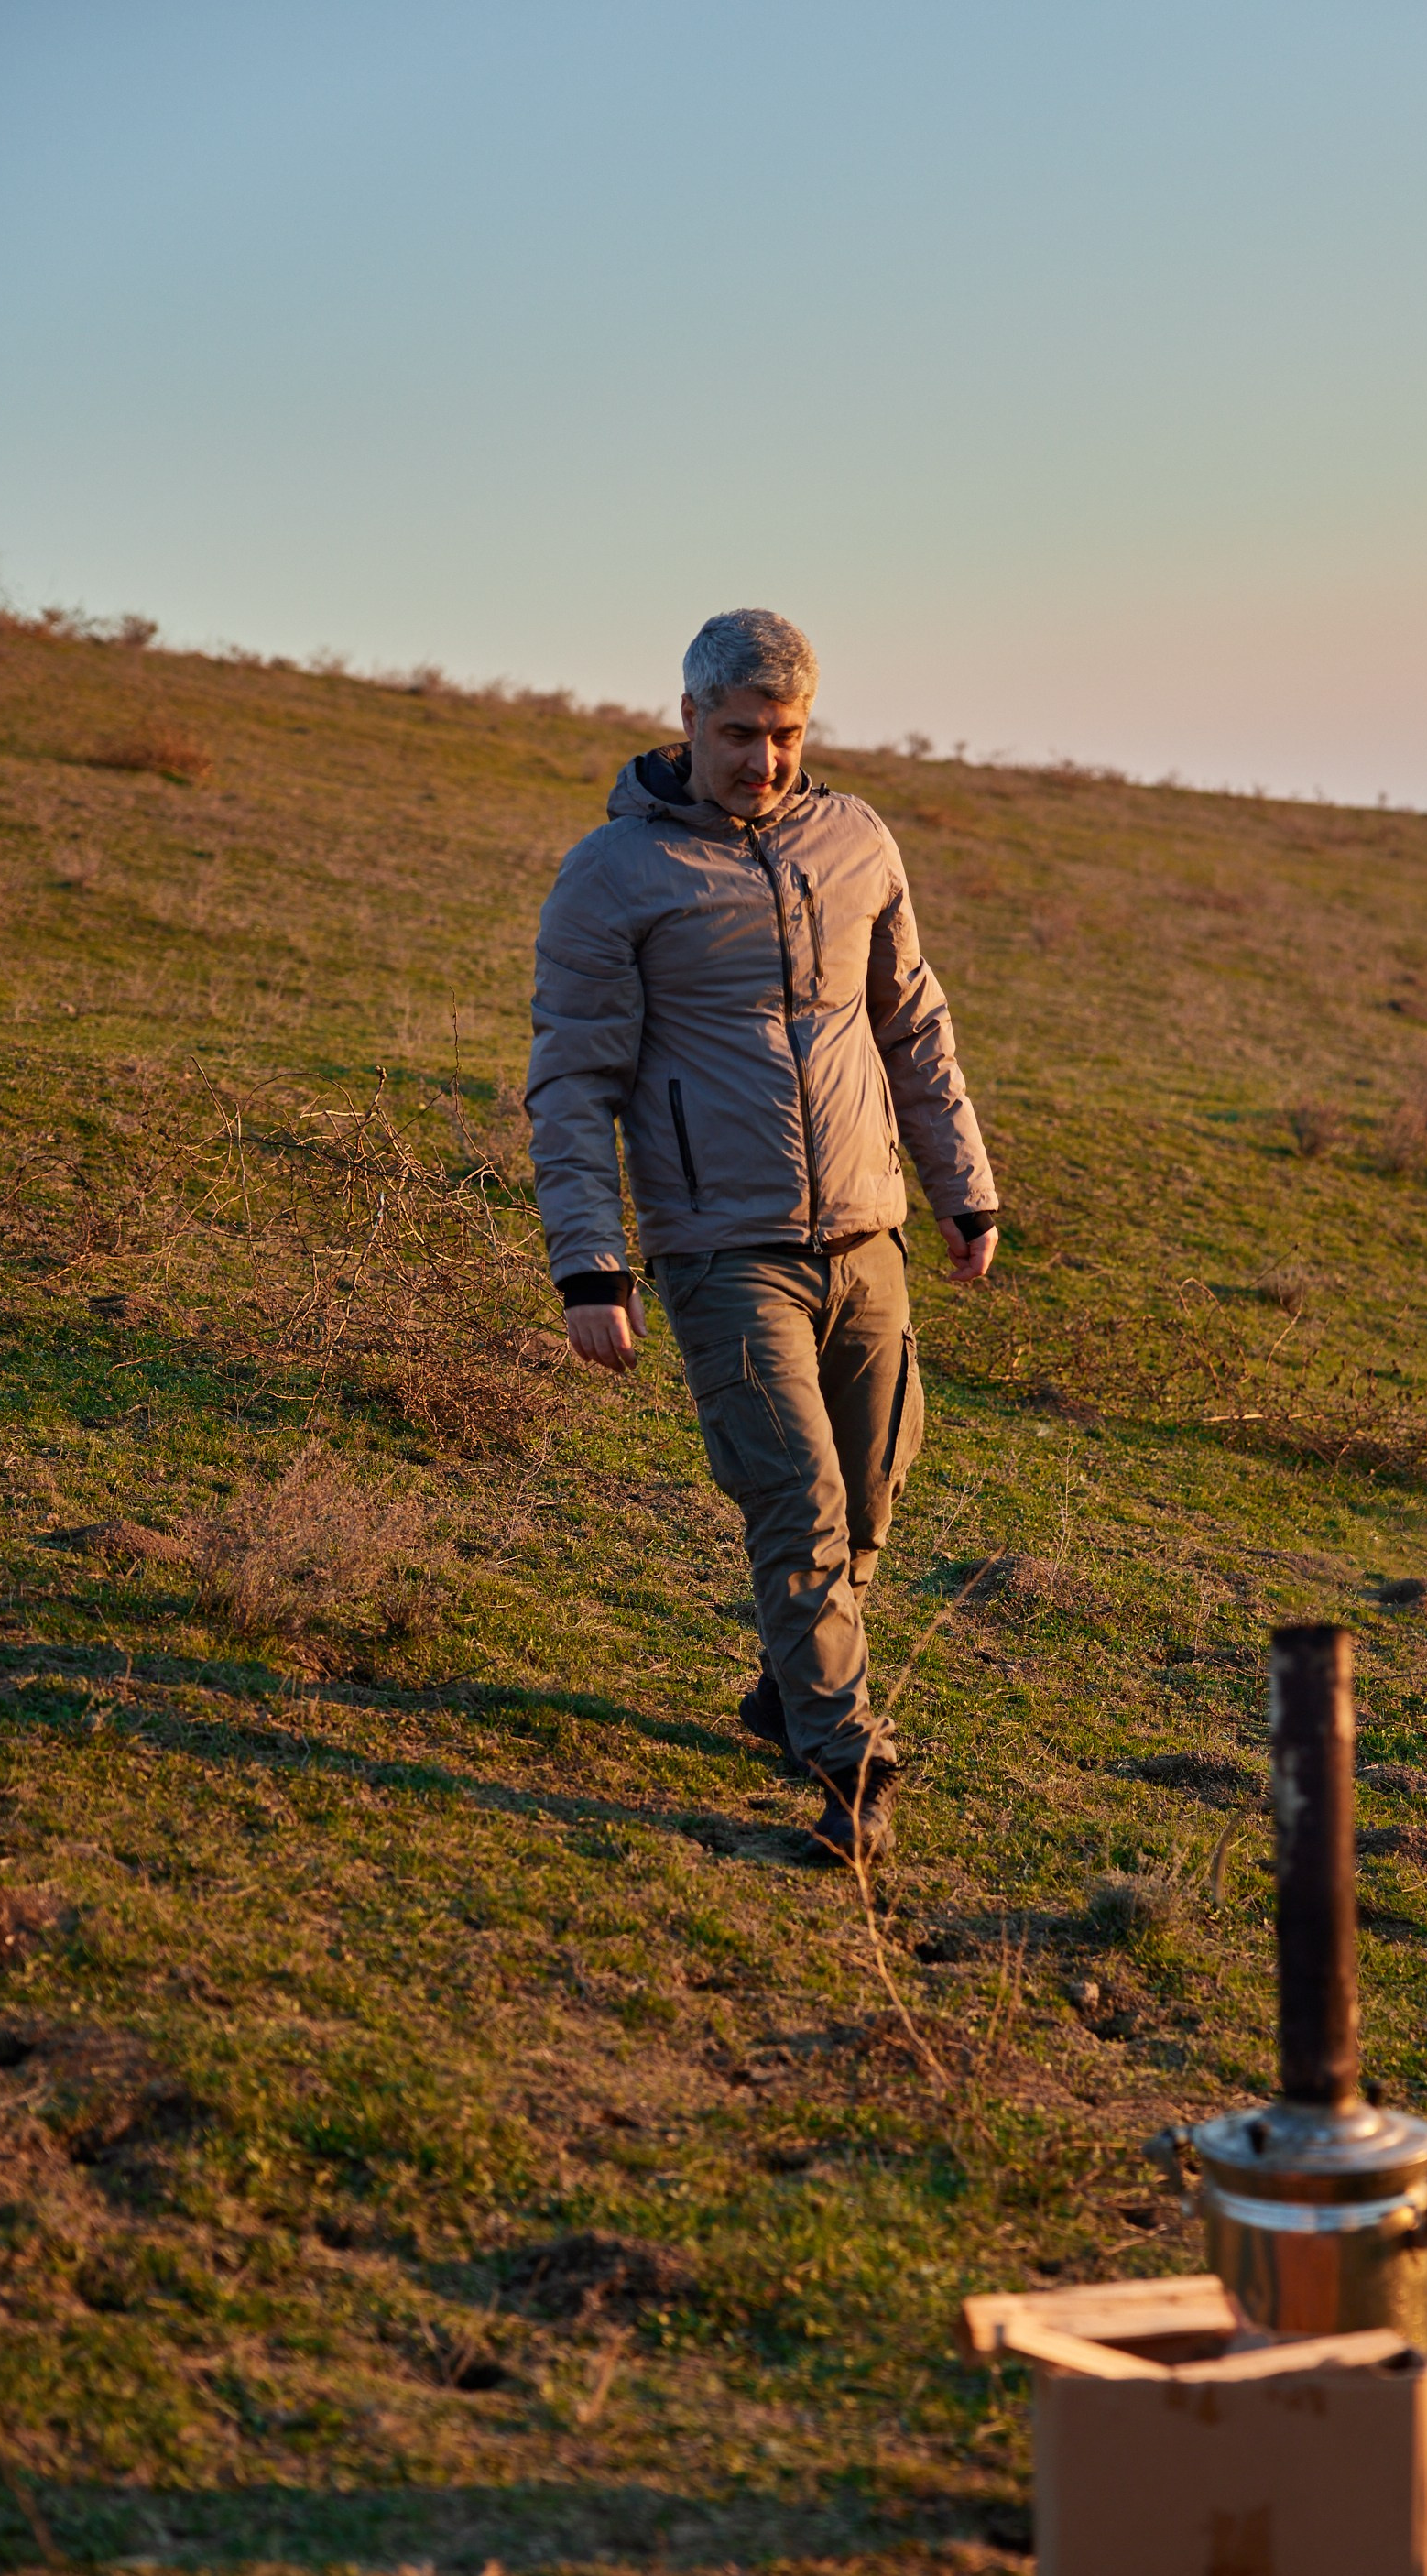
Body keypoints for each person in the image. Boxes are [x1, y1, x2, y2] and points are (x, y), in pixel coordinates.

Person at [526, 609, 997, 1865]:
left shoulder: (855, 842)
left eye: (785, 734)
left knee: (871, 1492)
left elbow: (910, 1022)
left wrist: (962, 1185)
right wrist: (588, 1261)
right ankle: (849, 1759)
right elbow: (572, 1079)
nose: (764, 760)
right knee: (793, 1495)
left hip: (866, 1235)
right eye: (739, 733)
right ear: (687, 721)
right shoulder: (613, 875)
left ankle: (786, 1688)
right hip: (718, 1247)